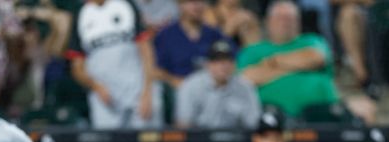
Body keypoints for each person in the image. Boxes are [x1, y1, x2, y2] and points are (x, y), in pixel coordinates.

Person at [237, 1, 375, 124]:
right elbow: (245, 78)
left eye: (290, 18)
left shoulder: (312, 40)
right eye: (280, 18)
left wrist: (271, 62)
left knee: (366, 108)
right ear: (268, 21)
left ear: (298, 22)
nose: (285, 22)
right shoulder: (254, 50)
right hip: (271, 114)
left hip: (323, 111)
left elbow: (316, 58)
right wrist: (299, 65)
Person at [66, 0, 163, 130]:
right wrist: (96, 86)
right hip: (105, 95)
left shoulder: (126, 4)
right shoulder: (80, 14)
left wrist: (147, 91)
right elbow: (76, 68)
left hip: (137, 88)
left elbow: (146, 50)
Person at [174, 39, 261, 129]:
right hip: (199, 140)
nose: (223, 65)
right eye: (217, 61)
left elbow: (253, 124)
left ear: (234, 64)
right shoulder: (191, 86)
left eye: (227, 60)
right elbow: (183, 124)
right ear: (208, 64)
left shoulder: (245, 87)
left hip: (235, 140)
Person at [153, 0, 228, 89]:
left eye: (200, 2)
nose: (196, 6)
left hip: (211, 90)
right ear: (180, 5)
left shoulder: (214, 34)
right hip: (177, 91)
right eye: (190, 2)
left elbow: (231, 59)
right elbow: (155, 70)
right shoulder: (165, 36)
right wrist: (174, 80)